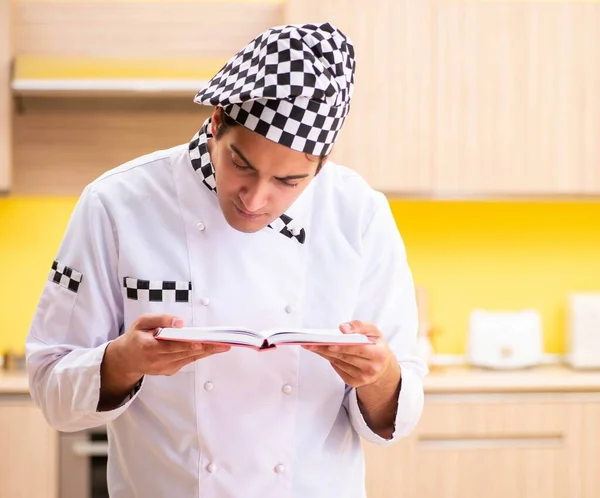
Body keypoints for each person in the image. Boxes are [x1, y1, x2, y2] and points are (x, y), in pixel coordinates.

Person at [25, 22, 427, 498]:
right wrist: (122, 362)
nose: (256, 200)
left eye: (289, 183)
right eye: (242, 165)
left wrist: (377, 376)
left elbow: (398, 414)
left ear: (323, 161)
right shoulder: (117, 203)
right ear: (216, 122)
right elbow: (51, 389)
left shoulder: (358, 213)